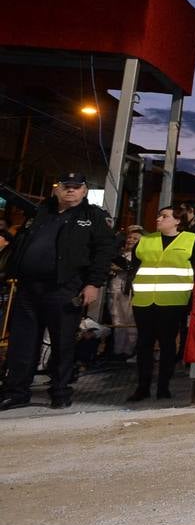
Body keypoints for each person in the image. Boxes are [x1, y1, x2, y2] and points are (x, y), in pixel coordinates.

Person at [0, 173, 115, 410]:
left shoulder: (92, 216)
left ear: (84, 191)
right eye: (66, 187)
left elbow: (104, 252)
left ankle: (60, 391)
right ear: (57, 190)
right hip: (28, 288)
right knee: (22, 342)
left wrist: (93, 284)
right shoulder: (42, 212)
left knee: (62, 343)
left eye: (76, 187)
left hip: (64, 289)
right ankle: (16, 391)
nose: (70, 191)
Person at [128, 207, 195, 401]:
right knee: (144, 345)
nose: (158, 219)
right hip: (144, 301)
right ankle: (142, 388)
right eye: (158, 215)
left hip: (174, 302)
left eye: (164, 216)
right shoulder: (145, 241)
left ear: (178, 221)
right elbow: (134, 267)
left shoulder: (192, 241)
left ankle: (163, 387)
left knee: (167, 345)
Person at [105, 225, 143, 359]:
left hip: (130, 292)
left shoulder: (140, 256)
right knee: (117, 321)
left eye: (135, 238)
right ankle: (118, 350)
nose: (131, 240)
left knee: (130, 321)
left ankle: (129, 350)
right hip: (114, 290)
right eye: (130, 237)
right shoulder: (118, 253)